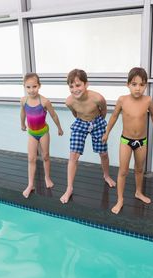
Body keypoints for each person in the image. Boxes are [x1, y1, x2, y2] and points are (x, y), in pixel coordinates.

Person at [102, 67, 153, 214]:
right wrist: (107, 132)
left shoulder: (148, 100)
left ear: (146, 86)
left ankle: (138, 192)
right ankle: (120, 199)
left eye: (142, 85)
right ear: (127, 84)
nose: (138, 88)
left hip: (141, 141)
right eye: (134, 84)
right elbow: (114, 116)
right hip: (126, 141)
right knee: (123, 171)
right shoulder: (122, 100)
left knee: (139, 169)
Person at [60, 69, 116, 204]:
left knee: (103, 153)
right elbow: (75, 113)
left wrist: (99, 124)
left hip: (97, 122)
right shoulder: (69, 102)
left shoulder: (97, 98)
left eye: (78, 85)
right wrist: (83, 122)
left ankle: (106, 175)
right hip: (80, 123)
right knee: (73, 155)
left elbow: (103, 111)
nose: (75, 89)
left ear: (86, 84)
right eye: (71, 86)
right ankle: (69, 188)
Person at [20, 73, 63, 198]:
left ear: (39, 86)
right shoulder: (23, 100)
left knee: (45, 156)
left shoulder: (44, 101)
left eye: (34, 86)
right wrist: (22, 124)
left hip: (43, 132)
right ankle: (30, 184)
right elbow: (23, 112)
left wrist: (59, 128)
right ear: (24, 87)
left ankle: (47, 177)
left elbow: (54, 115)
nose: (31, 90)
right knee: (31, 158)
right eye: (28, 87)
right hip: (32, 133)